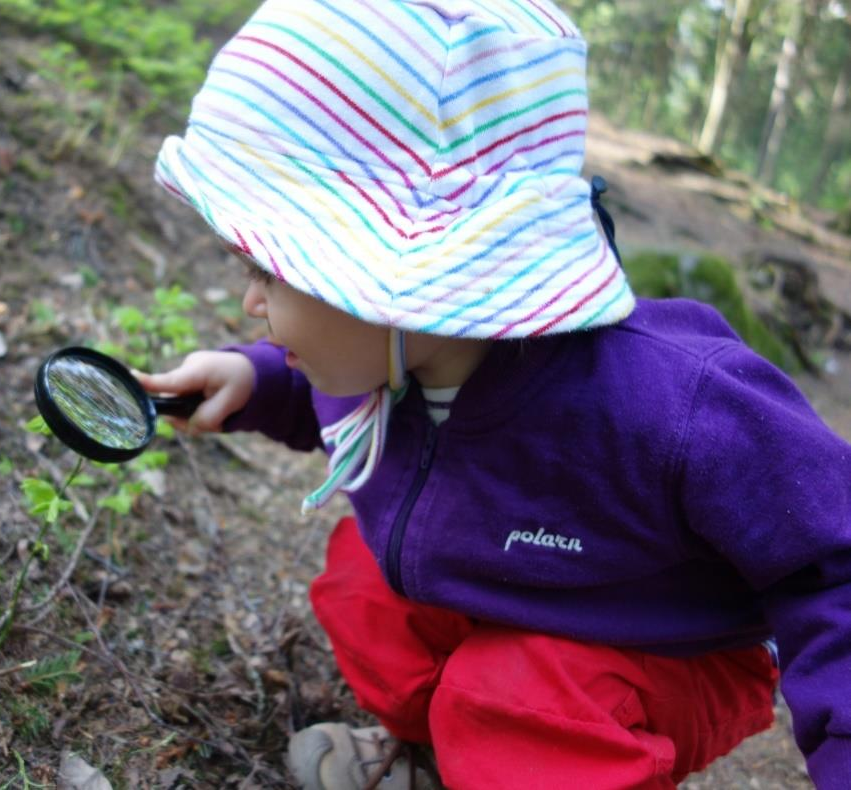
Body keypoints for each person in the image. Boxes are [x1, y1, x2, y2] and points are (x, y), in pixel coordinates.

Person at [138, 1, 851, 787]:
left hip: (664, 648)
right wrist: (261, 379)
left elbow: (832, 558)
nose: (250, 302)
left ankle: (524, 750)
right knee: (367, 590)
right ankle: (443, 755)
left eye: (268, 268)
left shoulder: (671, 403)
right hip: (496, 587)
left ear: (398, 279)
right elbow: (341, 393)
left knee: (515, 700)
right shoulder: (392, 354)